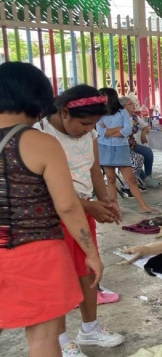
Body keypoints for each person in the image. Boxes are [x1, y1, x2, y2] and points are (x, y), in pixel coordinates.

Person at [0, 62, 103, 357]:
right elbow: (68, 206)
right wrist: (92, 254)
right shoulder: (39, 142)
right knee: (44, 339)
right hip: (34, 253)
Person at [38, 85, 126, 356]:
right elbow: (43, 189)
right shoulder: (41, 135)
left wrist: (107, 200)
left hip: (82, 213)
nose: (90, 129)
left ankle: (89, 329)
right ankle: (61, 341)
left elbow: (93, 170)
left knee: (89, 272)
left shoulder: (90, 134)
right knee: (59, 279)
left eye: (94, 125)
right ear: (64, 113)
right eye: (85, 123)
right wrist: (88, 206)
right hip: (53, 216)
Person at [97, 88, 158, 214]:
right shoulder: (99, 113)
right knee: (110, 178)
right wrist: (118, 129)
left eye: (104, 95)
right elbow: (101, 133)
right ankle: (115, 208)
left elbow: (127, 130)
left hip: (121, 147)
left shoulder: (122, 112)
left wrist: (110, 131)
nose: (101, 98)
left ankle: (143, 206)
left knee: (130, 179)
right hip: (104, 147)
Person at [119, 96, 158, 195]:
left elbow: (145, 126)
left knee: (147, 152)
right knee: (137, 158)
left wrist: (144, 134)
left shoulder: (134, 117)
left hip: (132, 143)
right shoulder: (118, 117)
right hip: (121, 145)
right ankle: (142, 179)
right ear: (123, 106)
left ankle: (148, 176)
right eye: (131, 104)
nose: (134, 105)